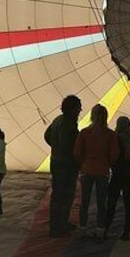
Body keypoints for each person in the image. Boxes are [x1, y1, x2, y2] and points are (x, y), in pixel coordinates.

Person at [74, 104, 118, 235]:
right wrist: (107, 164)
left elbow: (76, 152)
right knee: (101, 202)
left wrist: (83, 164)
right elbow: (115, 154)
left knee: (85, 201)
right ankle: (100, 230)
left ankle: (82, 228)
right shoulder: (110, 135)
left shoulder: (84, 133)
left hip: (86, 170)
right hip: (103, 171)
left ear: (92, 116)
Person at [44, 94, 81, 237]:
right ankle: (59, 226)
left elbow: (46, 135)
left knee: (58, 194)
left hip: (56, 161)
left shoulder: (57, 120)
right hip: (66, 165)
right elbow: (68, 146)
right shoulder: (68, 124)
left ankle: (57, 224)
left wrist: (55, 147)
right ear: (72, 109)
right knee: (65, 195)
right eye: (78, 109)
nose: (79, 112)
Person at [104, 116, 130, 241]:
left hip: (118, 174)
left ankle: (105, 230)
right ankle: (126, 233)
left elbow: (112, 157)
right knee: (128, 204)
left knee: (111, 203)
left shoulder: (115, 139)